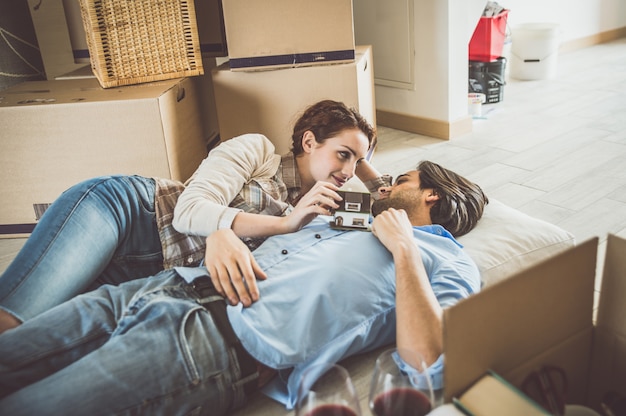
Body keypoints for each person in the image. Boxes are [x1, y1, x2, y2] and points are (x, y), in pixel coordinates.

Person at [0, 161, 488, 415]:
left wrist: (404, 247)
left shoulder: (445, 260)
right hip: (160, 287)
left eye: (399, 180)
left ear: (432, 194)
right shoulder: (355, 220)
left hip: (203, 345)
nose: (382, 185)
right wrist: (222, 233)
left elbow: (429, 361)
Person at [0, 100, 376, 332]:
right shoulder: (258, 151)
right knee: (14, 320)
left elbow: (380, 204)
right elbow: (189, 211)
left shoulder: (312, 206)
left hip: (148, 271)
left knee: (37, 340)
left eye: (358, 162)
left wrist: (371, 177)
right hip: (127, 214)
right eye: (343, 154)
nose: (349, 170)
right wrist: (284, 224)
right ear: (309, 142)